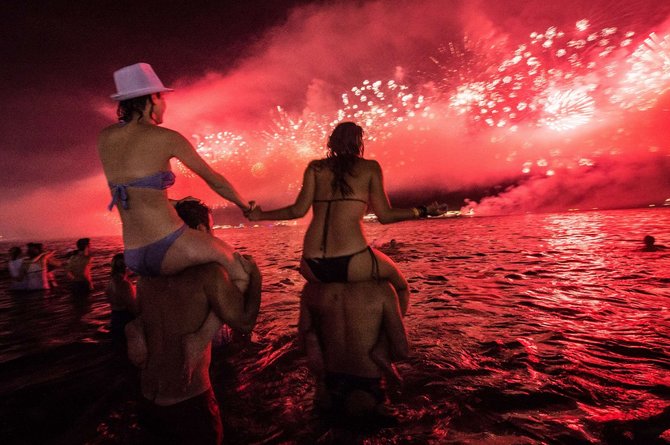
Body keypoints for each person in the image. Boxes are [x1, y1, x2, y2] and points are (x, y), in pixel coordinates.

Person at [248, 121, 446, 377]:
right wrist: (423, 211)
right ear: (359, 143)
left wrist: (259, 215)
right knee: (399, 286)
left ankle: (316, 345)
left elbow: (297, 211)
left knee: (316, 293)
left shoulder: (315, 168)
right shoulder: (369, 168)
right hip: (351, 259)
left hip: (312, 263)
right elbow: (384, 215)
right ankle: (381, 348)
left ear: (331, 143)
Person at [98, 62, 253, 292]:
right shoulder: (167, 138)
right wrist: (244, 205)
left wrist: (176, 202)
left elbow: (132, 194)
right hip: (168, 244)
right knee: (242, 270)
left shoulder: (105, 138)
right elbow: (214, 179)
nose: (164, 105)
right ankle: (207, 330)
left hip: (133, 254)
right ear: (152, 98)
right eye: (162, 98)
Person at [133, 201, 262, 445]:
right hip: (188, 402)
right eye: (212, 230)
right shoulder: (209, 274)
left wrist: (135, 330)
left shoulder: (147, 276)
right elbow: (245, 324)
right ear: (202, 231)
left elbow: (150, 317)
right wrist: (256, 277)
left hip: (147, 398)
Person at [299, 281, 409, 424]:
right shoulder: (383, 288)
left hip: (329, 386)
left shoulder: (311, 289)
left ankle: (320, 381)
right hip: (368, 388)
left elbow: (302, 346)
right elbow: (401, 350)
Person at [105, 253, 138, 350]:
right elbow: (132, 308)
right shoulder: (124, 284)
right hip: (125, 320)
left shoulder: (110, 282)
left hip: (115, 319)